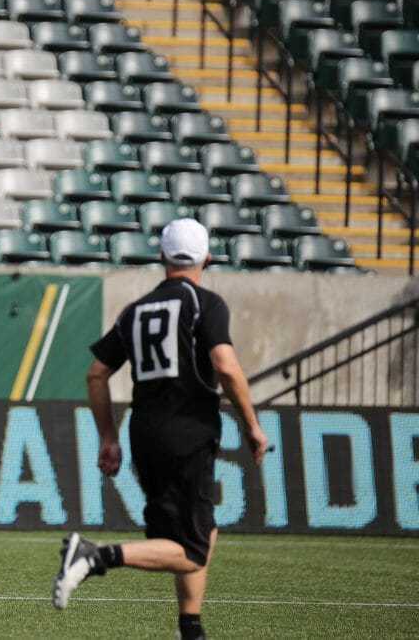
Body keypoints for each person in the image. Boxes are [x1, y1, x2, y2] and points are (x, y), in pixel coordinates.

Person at [52, 218, 268, 640]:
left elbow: (97, 375)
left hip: (144, 432)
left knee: (202, 530)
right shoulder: (206, 303)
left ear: (163, 257)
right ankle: (95, 556)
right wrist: (253, 425)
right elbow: (225, 364)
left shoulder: (136, 310)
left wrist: (109, 437)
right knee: (191, 549)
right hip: (187, 432)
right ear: (207, 258)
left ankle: (191, 627)